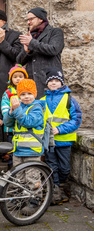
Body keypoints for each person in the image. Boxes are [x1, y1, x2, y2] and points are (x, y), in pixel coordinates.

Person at [3, 79, 45, 215]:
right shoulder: (19, 107)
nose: (26, 97)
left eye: (29, 93)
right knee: (18, 178)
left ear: (35, 94)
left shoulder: (37, 108)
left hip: (32, 151)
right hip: (18, 150)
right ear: (18, 96)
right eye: (22, 94)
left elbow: (28, 122)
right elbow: (8, 123)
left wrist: (17, 110)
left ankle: (34, 200)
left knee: (32, 177)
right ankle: (18, 199)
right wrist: (10, 112)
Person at [41, 69, 82, 204]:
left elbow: (76, 120)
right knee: (52, 166)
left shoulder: (69, 99)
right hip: (49, 141)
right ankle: (55, 190)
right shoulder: (42, 100)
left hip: (64, 140)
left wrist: (59, 129)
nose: (53, 83)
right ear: (47, 83)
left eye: (56, 81)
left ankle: (61, 186)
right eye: (51, 81)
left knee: (64, 168)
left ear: (61, 83)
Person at [17, 7, 65, 98]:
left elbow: (53, 49)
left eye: (31, 19)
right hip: (32, 86)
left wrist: (31, 43)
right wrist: (27, 51)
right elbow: (19, 61)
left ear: (40, 18)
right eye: (27, 20)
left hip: (50, 82)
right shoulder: (30, 36)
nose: (28, 22)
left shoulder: (55, 32)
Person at [1, 64, 28, 169]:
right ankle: (11, 170)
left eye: (21, 76)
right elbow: (4, 107)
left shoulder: (27, 92)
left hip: (23, 127)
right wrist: (10, 114)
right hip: (11, 128)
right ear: (11, 79)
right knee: (12, 150)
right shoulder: (8, 92)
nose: (18, 79)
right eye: (15, 77)